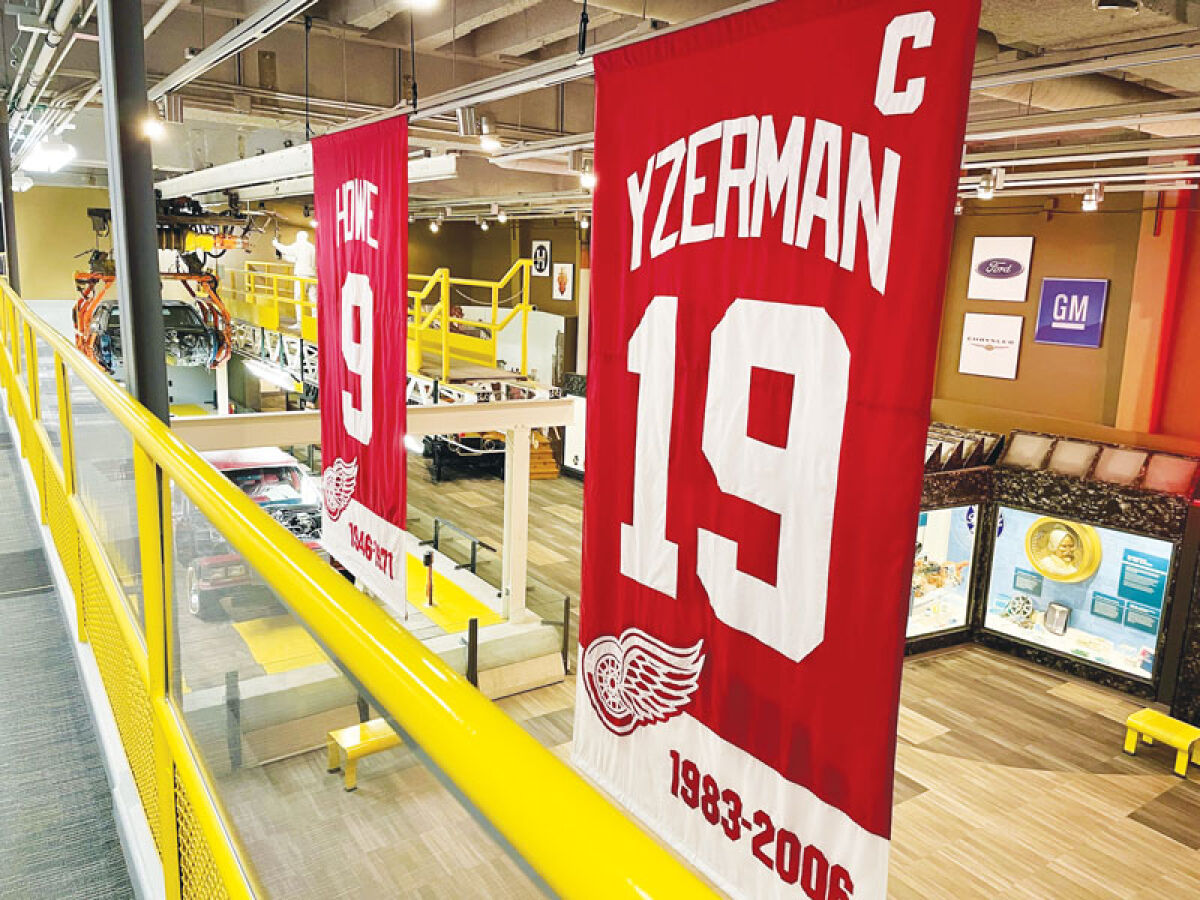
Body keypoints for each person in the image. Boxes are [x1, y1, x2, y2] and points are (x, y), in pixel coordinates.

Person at [272, 230, 317, 305]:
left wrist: (276, 244)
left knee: (298, 298)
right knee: (313, 298)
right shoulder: (311, 247)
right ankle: (315, 316)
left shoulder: (299, 245)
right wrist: (283, 256)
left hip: (302, 276)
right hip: (312, 276)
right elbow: (296, 259)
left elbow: (286, 250)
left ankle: (300, 317)